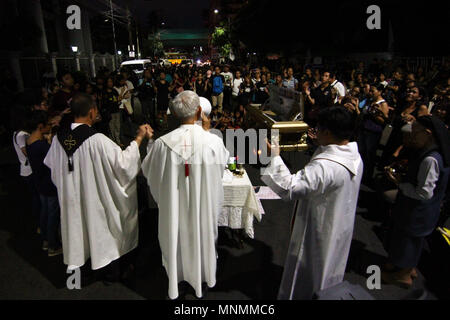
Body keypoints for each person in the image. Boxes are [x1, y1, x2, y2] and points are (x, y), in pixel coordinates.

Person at [43, 93, 153, 279]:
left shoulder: (58, 139)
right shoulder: (98, 140)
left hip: (72, 198)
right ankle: (110, 270)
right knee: (102, 229)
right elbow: (124, 165)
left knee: (80, 230)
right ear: (92, 112)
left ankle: (82, 269)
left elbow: (53, 168)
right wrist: (139, 138)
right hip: (95, 199)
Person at [261, 106, 363, 299]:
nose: (315, 132)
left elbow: (290, 188)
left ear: (327, 132)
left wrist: (274, 157)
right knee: (329, 269)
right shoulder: (353, 155)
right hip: (339, 224)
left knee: (309, 274)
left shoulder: (327, 166)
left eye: (318, 129)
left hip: (319, 228)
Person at [142, 90, 229, 300]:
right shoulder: (213, 142)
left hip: (175, 207)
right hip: (202, 207)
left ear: (173, 113)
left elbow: (149, 172)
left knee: (175, 237)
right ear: (199, 111)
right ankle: (202, 280)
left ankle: (177, 280)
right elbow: (222, 167)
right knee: (203, 235)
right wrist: (207, 134)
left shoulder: (162, 144)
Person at [382, 115, 450, 288]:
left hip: (417, 211)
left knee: (407, 242)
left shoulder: (430, 159)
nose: (411, 136)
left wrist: (401, 184)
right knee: (412, 242)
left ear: (428, 134)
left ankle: (402, 276)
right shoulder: (434, 154)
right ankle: (406, 267)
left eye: (415, 132)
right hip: (424, 212)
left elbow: (424, 193)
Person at [26, 110, 62, 256]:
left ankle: (46, 241)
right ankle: (53, 245)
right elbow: (54, 160)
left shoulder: (29, 140)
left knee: (45, 211)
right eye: (48, 124)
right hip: (49, 183)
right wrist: (50, 142)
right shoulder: (42, 146)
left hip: (39, 182)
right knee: (53, 215)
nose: (50, 126)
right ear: (41, 126)